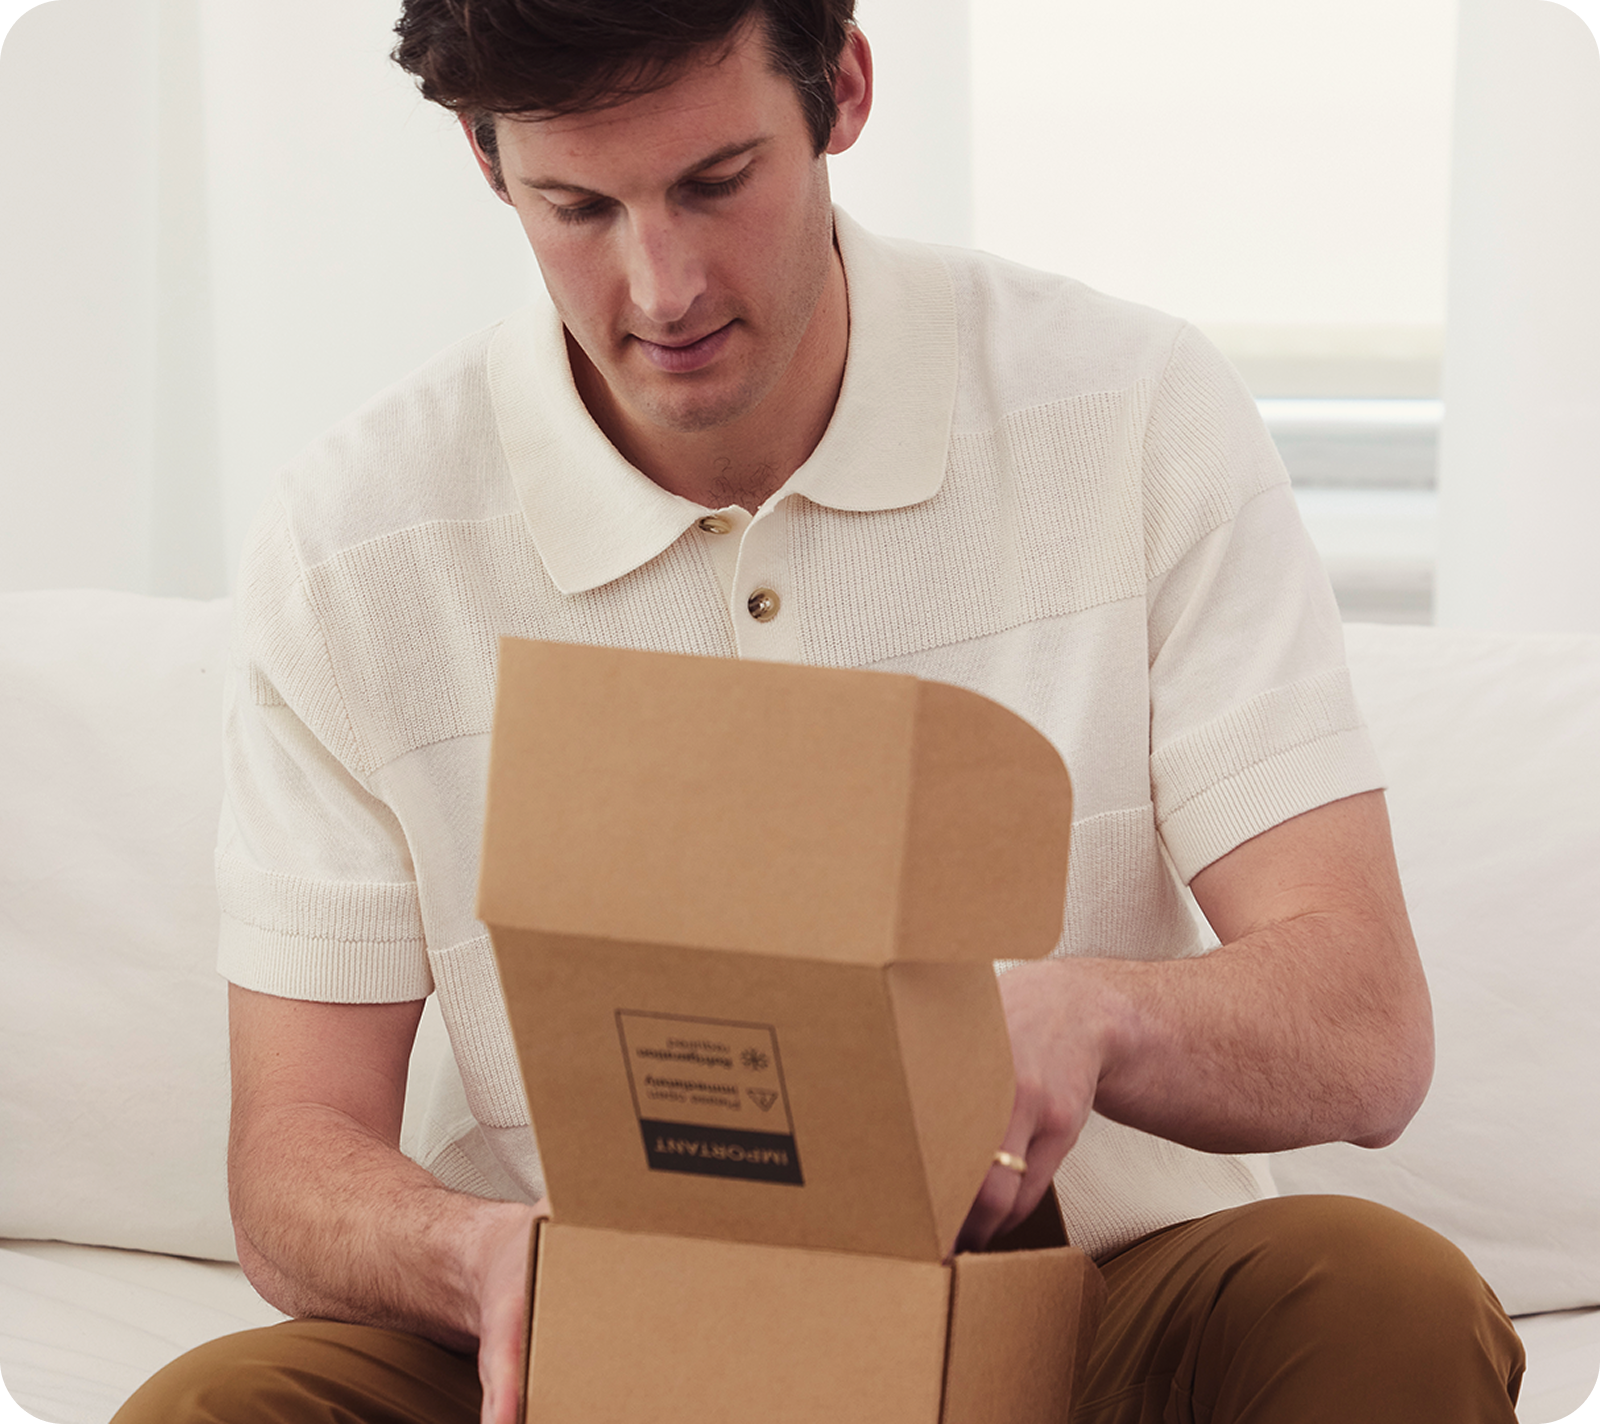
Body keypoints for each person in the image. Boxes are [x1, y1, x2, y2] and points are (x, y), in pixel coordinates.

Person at [113, 2, 1525, 1422]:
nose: (662, 288)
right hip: (599, 1341)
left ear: (842, 89)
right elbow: (292, 1157)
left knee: (1382, 1295)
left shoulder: (1131, 409)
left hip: (1087, 1316)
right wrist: (478, 1258)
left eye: (716, 182)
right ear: (487, 163)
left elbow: (1365, 1026)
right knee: (214, 1412)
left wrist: (1100, 1016)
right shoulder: (353, 540)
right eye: (579, 207)